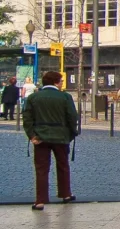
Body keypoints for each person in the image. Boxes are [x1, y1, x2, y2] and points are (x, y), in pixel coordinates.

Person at [23, 71, 80, 211]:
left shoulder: (33, 97)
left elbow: (27, 118)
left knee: (41, 169)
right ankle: (65, 194)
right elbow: (72, 117)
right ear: (55, 82)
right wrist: (71, 134)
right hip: (61, 136)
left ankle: (40, 200)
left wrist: (31, 135)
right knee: (63, 166)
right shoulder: (65, 97)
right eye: (61, 81)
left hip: (40, 137)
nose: (62, 84)